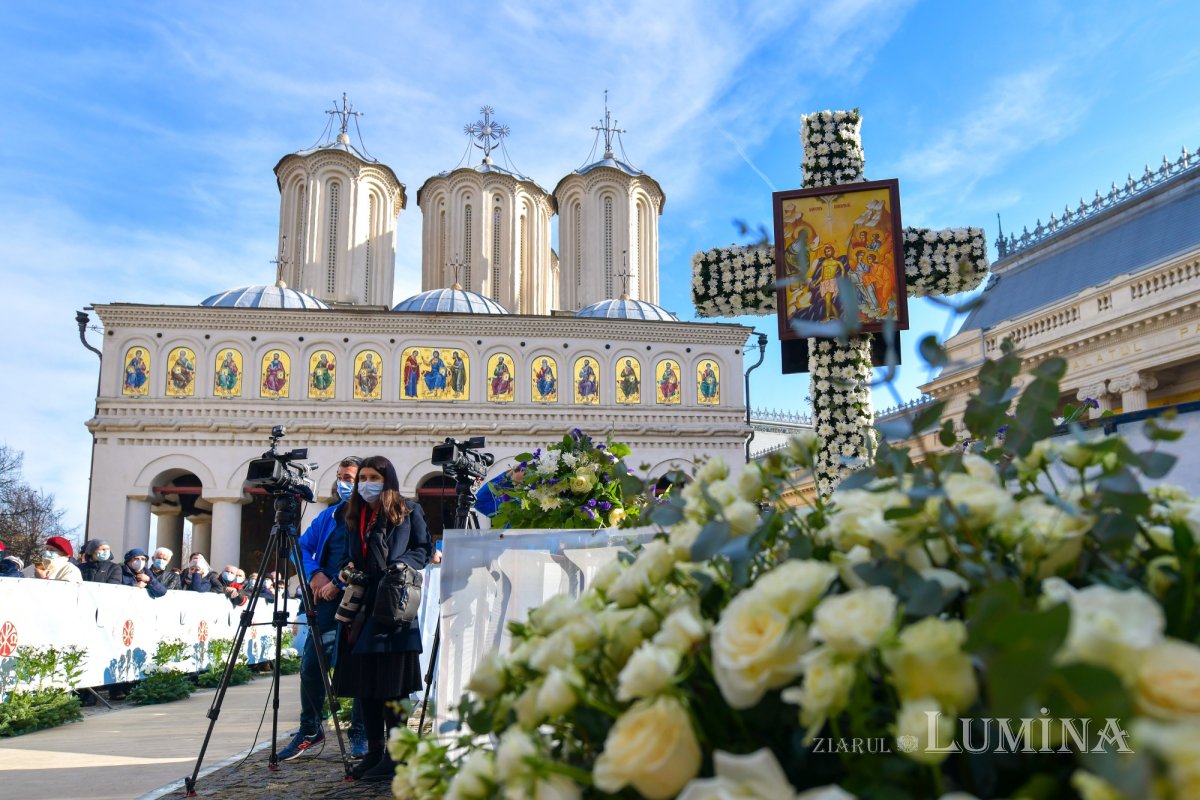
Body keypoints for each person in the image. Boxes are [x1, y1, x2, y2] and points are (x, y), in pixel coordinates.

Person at [336, 455, 432, 781]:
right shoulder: (353, 515)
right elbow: (351, 555)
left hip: (394, 603)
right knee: (366, 686)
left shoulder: (409, 511)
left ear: (387, 478)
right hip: (363, 608)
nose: (365, 483)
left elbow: (423, 548)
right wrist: (348, 568)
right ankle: (375, 751)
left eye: (372, 477)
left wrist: (401, 563)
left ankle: (397, 754)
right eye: (361, 477)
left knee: (393, 686)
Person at [278, 457, 368, 762]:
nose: (347, 483)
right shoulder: (329, 516)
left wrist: (337, 583)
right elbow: (299, 547)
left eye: (352, 478)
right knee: (313, 665)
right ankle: (310, 729)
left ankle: (360, 732)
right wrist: (315, 573)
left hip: (361, 601)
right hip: (326, 602)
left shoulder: (373, 517)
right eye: (342, 477)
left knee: (359, 667)